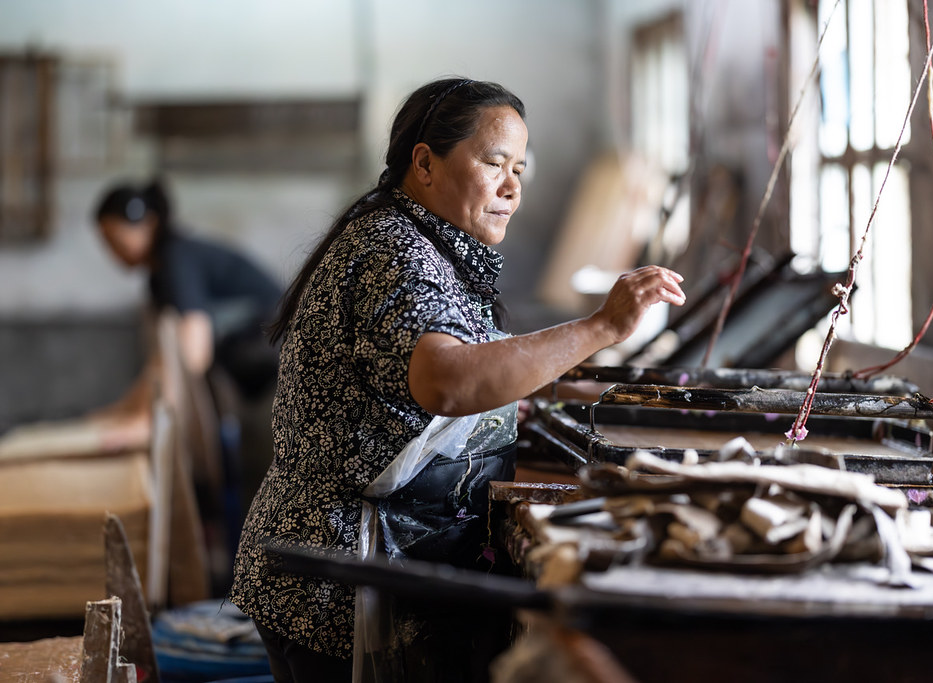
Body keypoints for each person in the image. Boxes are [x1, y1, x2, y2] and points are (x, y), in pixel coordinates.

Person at [229, 77, 685, 682]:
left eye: (519, 168)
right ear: (424, 164)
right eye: (494, 163)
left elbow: (438, 387)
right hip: (338, 573)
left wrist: (498, 414)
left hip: (328, 558)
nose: (512, 187)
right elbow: (446, 381)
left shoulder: (416, 241)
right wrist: (601, 326)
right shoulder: (397, 252)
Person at [92, 180, 283, 556]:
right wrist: (125, 411)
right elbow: (164, 360)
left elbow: (192, 348)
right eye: (105, 243)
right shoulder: (159, 274)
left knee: (263, 487)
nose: (112, 251)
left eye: (115, 238)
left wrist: (150, 422)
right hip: (252, 379)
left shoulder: (177, 258)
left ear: (146, 223)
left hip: (279, 377)